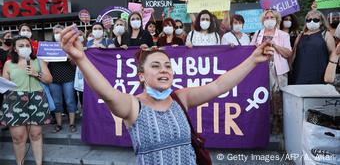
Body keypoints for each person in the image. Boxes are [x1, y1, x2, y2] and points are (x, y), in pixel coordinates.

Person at [60, 24, 274, 164]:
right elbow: (107, 92)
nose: (164, 70)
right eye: (156, 65)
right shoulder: (133, 107)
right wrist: (81, 59)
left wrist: (252, 60)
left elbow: (219, 86)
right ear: (141, 76)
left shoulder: (181, 99)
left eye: (167, 65)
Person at [0, 36, 52, 165]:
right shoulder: (8, 63)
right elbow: (5, 83)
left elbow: (49, 80)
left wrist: (36, 74)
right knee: (18, 137)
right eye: (21, 46)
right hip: (14, 99)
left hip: (36, 98)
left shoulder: (39, 61)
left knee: (36, 134)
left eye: (27, 45)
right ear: (15, 49)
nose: (25, 48)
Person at [251, 9, 292, 134]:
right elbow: (250, 52)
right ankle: (262, 125)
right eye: (267, 17)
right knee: (262, 96)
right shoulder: (257, 34)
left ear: (276, 20)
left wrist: (275, 45)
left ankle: (277, 125)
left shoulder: (284, 35)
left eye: (272, 17)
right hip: (260, 70)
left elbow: (288, 53)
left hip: (278, 71)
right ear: (263, 20)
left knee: (277, 97)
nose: (269, 20)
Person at [291, 10, 335, 85]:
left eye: (315, 20)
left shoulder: (326, 34)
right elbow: (294, 53)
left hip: (319, 72)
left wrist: (330, 70)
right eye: (309, 20)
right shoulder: (300, 35)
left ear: (321, 22)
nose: (312, 22)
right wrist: (290, 68)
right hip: (300, 72)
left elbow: (332, 53)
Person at [48, 25, 77, 133]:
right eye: (55, 32)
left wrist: (71, 58)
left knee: (70, 100)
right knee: (57, 102)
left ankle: (72, 123)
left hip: (68, 76)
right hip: (53, 78)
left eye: (60, 32)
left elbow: (76, 63)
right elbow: (44, 63)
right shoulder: (48, 46)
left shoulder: (70, 45)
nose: (58, 34)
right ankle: (59, 124)